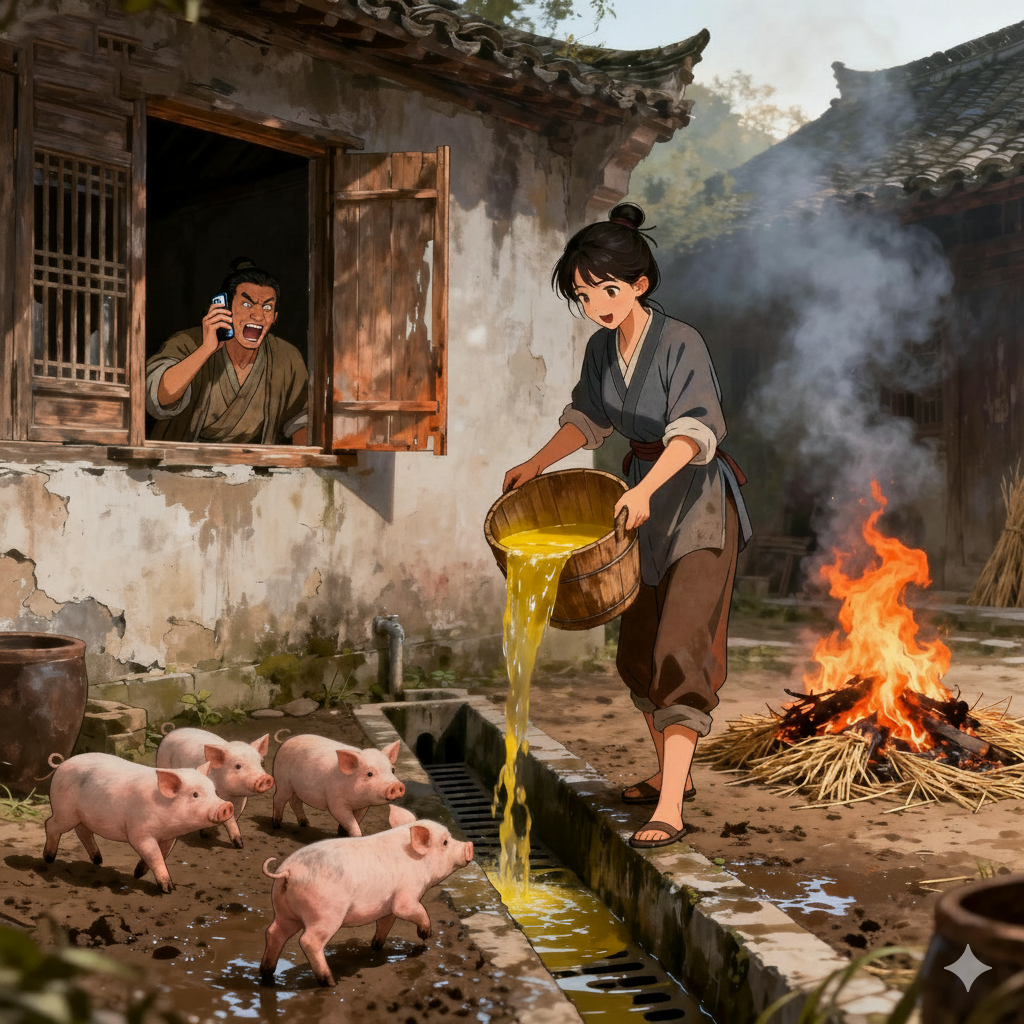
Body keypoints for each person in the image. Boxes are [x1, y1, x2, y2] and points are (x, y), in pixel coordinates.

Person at [503, 203, 752, 850]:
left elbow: (696, 430)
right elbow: (589, 419)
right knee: (636, 651)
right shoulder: (600, 349)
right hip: (636, 504)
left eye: (607, 290)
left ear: (639, 284)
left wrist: (644, 488)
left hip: (693, 501)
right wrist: (535, 463)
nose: (597, 305)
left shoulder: (680, 343)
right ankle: (676, 774)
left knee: (679, 648)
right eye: (584, 296)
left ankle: (670, 804)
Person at [146, 258, 309, 445]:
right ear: (226, 308)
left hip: (253, 466)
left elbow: (301, 421)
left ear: (275, 317)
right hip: (182, 463)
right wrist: (206, 350)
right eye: (247, 304)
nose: (258, 315)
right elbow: (158, 399)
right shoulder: (188, 343)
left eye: (267, 307)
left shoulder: (286, 356)